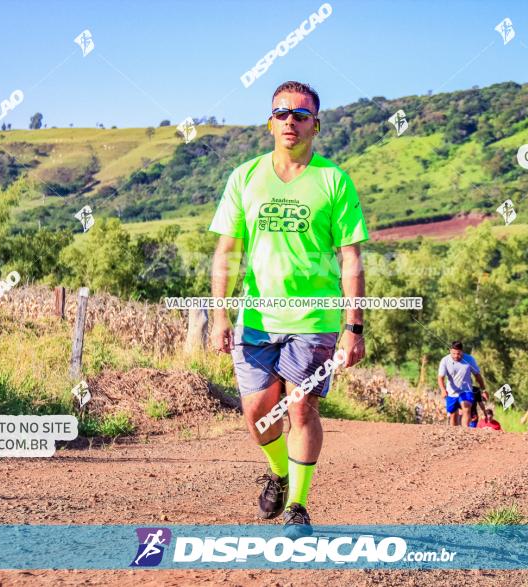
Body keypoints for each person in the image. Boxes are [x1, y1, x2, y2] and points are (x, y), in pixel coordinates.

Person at [209, 81, 369, 537]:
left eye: (300, 115)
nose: (290, 121)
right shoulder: (245, 177)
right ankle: (278, 473)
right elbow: (227, 251)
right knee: (260, 418)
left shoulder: (333, 180)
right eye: (281, 113)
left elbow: (351, 258)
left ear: (315, 124)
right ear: (269, 122)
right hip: (256, 319)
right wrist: (220, 314)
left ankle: (298, 504)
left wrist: (352, 326)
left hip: (315, 320)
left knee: (301, 410)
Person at [437, 341, 488, 428]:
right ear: (450, 351)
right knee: (453, 414)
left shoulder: (469, 359)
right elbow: (440, 378)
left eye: (459, 353)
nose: (456, 356)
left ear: (462, 351)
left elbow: (477, 375)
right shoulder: (445, 361)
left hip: (466, 390)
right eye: (454, 353)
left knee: (466, 407)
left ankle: (465, 429)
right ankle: (453, 433)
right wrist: (442, 389)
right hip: (451, 392)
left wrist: (483, 390)